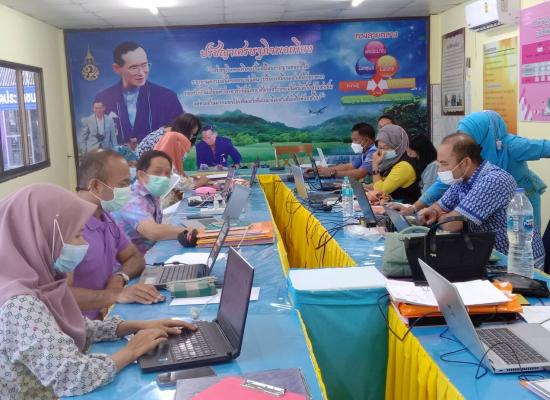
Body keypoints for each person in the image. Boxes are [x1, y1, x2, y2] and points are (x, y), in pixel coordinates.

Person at [0, 183, 196, 398]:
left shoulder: (42, 282)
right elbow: (72, 377)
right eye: (77, 235)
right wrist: (133, 349)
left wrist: (133, 326)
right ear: (43, 238)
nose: (83, 244)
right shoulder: (20, 302)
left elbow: (70, 329)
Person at [399, 111, 550, 230]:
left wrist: (442, 216)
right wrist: (416, 208)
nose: (464, 140)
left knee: (525, 236)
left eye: (467, 136)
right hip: (492, 211)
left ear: (483, 134)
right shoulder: (465, 173)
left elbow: (545, 147)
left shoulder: (510, 147)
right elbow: (441, 185)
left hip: (522, 199)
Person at [418, 133, 545, 267]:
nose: (440, 170)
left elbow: (452, 225)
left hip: (519, 262)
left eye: (444, 164)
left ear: (465, 162)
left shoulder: (494, 180)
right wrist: (435, 212)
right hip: (489, 256)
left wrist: (440, 216)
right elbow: (439, 207)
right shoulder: (462, 179)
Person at [71, 150, 163, 320]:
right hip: (81, 325)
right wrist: (115, 295)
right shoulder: (68, 226)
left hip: (110, 315)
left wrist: (120, 276)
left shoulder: (104, 216)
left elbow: (135, 257)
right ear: (96, 186)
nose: (127, 190)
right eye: (122, 185)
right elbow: (59, 295)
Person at [94, 42, 184, 142]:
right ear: (117, 68)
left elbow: (180, 132)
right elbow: (98, 133)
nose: (141, 73)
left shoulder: (167, 97)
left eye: (145, 65)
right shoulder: (103, 98)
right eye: (133, 67)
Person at [111, 150, 197, 255]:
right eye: (157, 172)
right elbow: (153, 231)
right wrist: (192, 231)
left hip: (147, 255)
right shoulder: (131, 199)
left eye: (167, 173)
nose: (164, 178)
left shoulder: (152, 194)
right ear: (141, 175)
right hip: (131, 262)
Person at [367, 124, 420, 203]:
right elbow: (383, 182)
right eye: (379, 148)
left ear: (398, 145)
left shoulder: (404, 166)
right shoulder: (391, 161)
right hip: (392, 206)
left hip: (407, 208)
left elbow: (380, 191)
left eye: (386, 148)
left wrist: (375, 165)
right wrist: (364, 187)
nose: (382, 152)